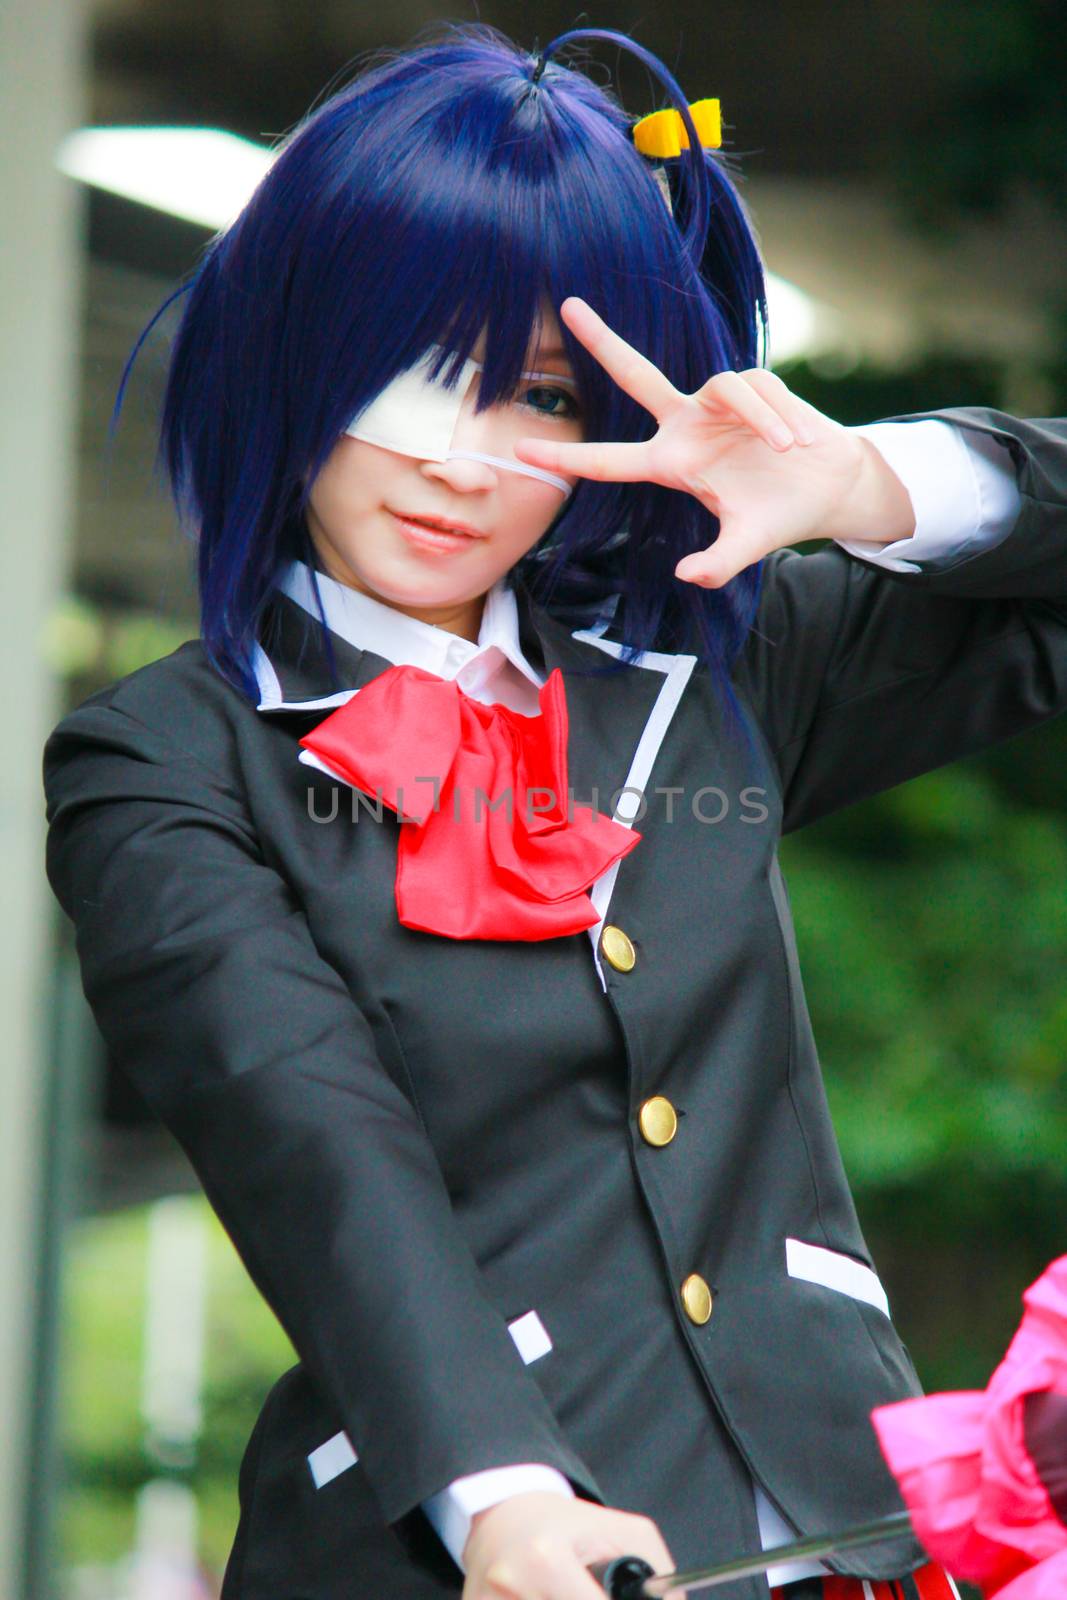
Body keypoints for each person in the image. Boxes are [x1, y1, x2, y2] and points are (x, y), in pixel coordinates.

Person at [41, 19, 1067, 1600]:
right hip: (459, 1548)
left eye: (535, 391)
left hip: (846, 1532)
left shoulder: (715, 662)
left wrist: (865, 481)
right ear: (286, 349)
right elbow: (314, 1140)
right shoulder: (167, 757)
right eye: (400, 364)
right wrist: (503, 1497)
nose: (457, 459)